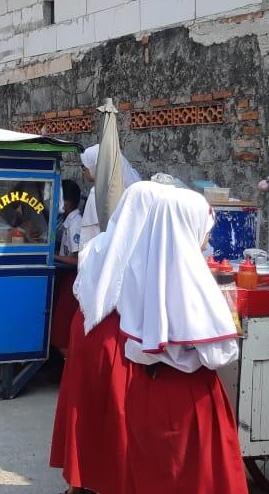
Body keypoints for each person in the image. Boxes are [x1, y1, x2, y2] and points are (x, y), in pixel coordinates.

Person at [52, 182, 248, 494]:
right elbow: (218, 352)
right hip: (182, 398)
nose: (207, 238)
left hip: (129, 369)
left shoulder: (114, 253)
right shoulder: (179, 272)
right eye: (205, 229)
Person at [77, 144, 141, 248]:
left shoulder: (98, 193)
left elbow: (89, 237)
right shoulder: (132, 190)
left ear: (96, 165)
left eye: (84, 167)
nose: (83, 171)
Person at [50, 179, 84, 357]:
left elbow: (79, 259)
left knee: (62, 331)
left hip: (72, 278)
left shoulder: (76, 224)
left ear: (68, 202)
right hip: (65, 278)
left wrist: (54, 256)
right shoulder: (67, 221)